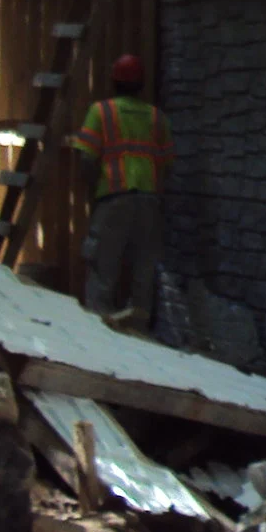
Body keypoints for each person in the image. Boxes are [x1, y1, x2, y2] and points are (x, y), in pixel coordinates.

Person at [71, 53, 173, 330]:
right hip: (150, 201)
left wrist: (93, 190)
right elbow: (167, 163)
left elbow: (87, 158)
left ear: (114, 81)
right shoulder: (157, 118)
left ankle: (98, 333)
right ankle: (139, 333)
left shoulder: (101, 112)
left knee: (102, 270)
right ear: (141, 84)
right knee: (143, 272)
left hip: (114, 197)